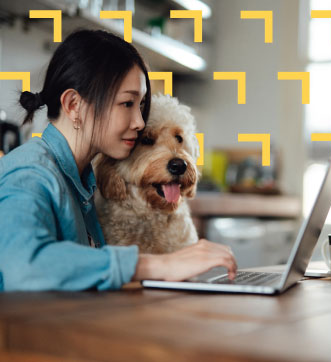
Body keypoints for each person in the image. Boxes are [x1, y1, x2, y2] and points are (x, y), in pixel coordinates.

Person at [0, 29, 237, 291]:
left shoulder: (80, 180)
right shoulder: (30, 173)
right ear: (73, 104)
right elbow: (22, 266)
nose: (139, 122)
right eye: (127, 103)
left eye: (141, 104)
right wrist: (158, 265)